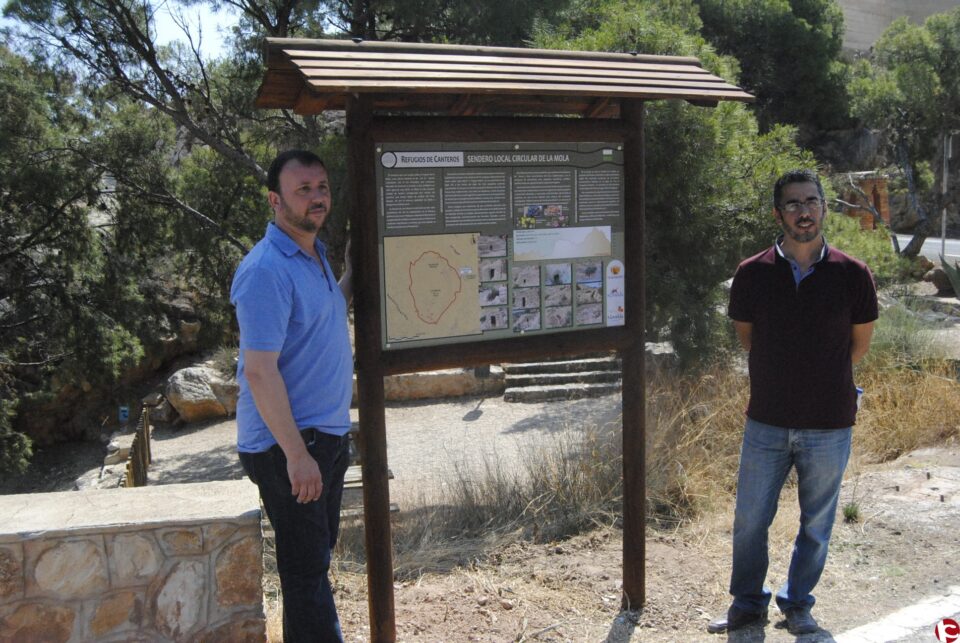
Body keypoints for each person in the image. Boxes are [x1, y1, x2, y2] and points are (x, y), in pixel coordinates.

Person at [708, 169, 878, 636]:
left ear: (824, 207)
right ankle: (747, 603)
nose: (803, 211)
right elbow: (749, 339)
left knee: (816, 523)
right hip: (767, 421)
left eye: (811, 201)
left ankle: (798, 603)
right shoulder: (752, 273)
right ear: (778, 213)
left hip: (830, 422)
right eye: (793, 204)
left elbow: (857, 347)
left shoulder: (853, 273)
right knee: (749, 521)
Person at [230, 149, 354, 643]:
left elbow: (322, 315)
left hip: (321, 437)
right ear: (275, 200)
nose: (316, 197)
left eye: (321, 186)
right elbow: (259, 372)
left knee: (315, 563)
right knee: (305, 573)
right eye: (303, 190)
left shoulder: (313, 253)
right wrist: (297, 456)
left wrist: (351, 277)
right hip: (290, 444)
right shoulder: (265, 270)